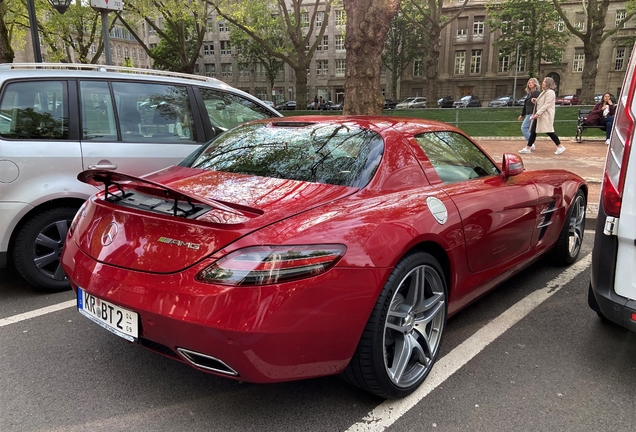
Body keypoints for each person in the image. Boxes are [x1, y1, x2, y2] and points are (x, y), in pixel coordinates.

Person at [519, 77, 566, 155]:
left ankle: (560, 146)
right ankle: (528, 147)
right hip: (541, 115)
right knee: (533, 131)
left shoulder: (550, 92)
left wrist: (537, 114)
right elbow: (541, 103)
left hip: (545, 115)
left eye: (544, 82)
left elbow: (547, 104)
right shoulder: (545, 92)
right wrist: (535, 101)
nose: (542, 83)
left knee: (549, 131)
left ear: (548, 83)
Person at [518, 78, 541, 143]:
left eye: (532, 82)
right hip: (528, 113)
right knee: (529, 129)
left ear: (535, 84)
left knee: (524, 128)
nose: (530, 84)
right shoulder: (529, 94)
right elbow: (525, 106)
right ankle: (530, 143)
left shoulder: (536, 92)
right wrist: (522, 114)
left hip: (532, 113)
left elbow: (539, 103)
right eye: (529, 82)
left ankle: (530, 143)